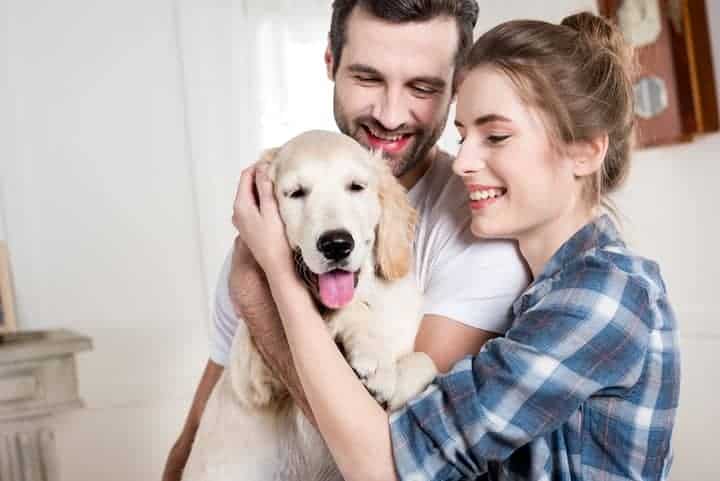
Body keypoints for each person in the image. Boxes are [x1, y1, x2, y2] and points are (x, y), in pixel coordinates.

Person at [231, 10, 681, 481]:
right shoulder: (545, 291)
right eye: (463, 135)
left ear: (585, 151)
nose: (463, 162)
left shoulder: (602, 297)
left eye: (496, 137)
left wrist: (276, 277)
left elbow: (387, 467)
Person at [162, 1, 529, 479]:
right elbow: (213, 403)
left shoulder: (479, 232)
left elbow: (393, 456)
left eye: (422, 86)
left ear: (458, 84)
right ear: (331, 63)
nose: (391, 115)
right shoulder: (279, 205)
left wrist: (264, 290)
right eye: (368, 78)